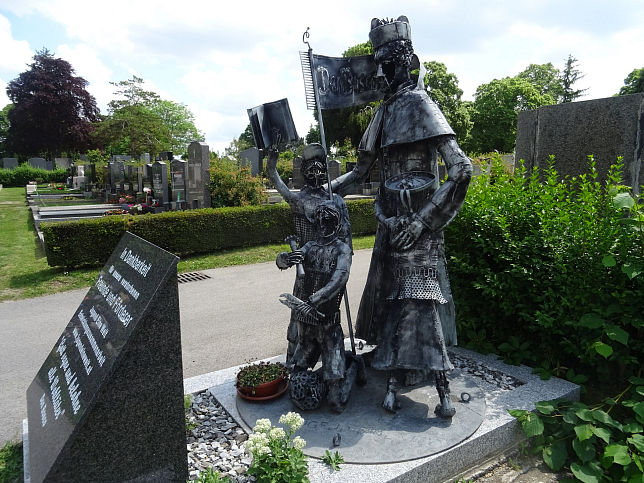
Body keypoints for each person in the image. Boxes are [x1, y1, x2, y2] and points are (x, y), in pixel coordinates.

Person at [331, 16, 472, 418]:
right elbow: (360, 172)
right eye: (378, 63)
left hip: (420, 231)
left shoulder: (422, 104)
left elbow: (461, 169)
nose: (381, 71)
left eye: (388, 63)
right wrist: (323, 191)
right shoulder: (383, 111)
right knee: (391, 306)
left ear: (406, 61)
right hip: (391, 228)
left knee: (421, 307)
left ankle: (432, 382)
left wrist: (425, 219)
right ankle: (395, 378)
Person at [266, 143, 351, 365]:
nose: (315, 174)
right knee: (299, 320)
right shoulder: (298, 200)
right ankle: (294, 365)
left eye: (320, 169)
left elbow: (346, 240)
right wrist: (272, 160)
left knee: (328, 319)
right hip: (305, 269)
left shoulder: (336, 200)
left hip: (331, 269)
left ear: (325, 170)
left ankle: (331, 365)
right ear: (303, 172)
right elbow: (275, 179)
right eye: (310, 169)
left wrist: (342, 270)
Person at [276, 203, 356, 412]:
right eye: (319, 222)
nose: (322, 226)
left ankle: (344, 377)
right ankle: (306, 378)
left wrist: (317, 298)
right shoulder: (310, 246)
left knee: (335, 399)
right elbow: (286, 262)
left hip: (327, 317)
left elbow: (340, 277)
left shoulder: (342, 249)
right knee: (300, 362)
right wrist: (285, 258)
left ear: (335, 224)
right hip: (306, 318)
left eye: (327, 222)